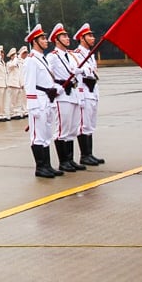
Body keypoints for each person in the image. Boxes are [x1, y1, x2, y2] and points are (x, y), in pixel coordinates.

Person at [22, 25, 61, 178]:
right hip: (38, 101)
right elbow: (29, 85)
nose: (46, 41)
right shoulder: (31, 60)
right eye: (43, 38)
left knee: (45, 135)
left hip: (47, 100)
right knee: (37, 136)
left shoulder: (42, 59)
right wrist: (33, 107)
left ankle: (48, 165)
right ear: (35, 41)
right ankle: (40, 167)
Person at [46, 23, 86, 172]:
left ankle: (70, 159)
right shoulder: (52, 56)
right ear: (56, 40)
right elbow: (47, 74)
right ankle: (63, 161)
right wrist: (56, 88)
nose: (67, 38)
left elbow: (74, 71)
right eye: (64, 36)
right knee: (61, 130)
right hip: (62, 95)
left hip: (73, 94)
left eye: (67, 36)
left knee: (71, 129)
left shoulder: (69, 55)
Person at [73, 23, 105, 166]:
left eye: (92, 35)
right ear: (82, 38)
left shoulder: (90, 55)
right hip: (83, 92)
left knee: (90, 124)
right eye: (89, 36)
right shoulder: (76, 55)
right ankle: (84, 155)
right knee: (83, 124)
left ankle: (89, 153)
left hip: (92, 91)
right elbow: (78, 74)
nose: (93, 38)